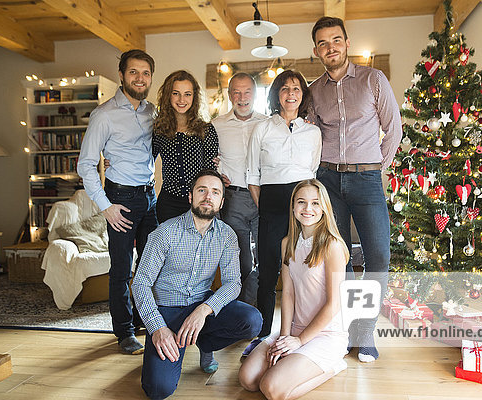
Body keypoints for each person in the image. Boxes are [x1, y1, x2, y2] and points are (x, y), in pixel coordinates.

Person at [308, 16, 403, 362]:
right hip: (328, 180)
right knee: (340, 257)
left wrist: (377, 166)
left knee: (378, 257)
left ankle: (366, 332)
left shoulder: (373, 79)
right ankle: (347, 329)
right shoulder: (313, 91)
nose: (330, 47)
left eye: (336, 40)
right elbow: (311, 135)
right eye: (323, 43)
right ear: (316, 50)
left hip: (366, 180)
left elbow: (393, 130)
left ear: (346, 44)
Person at [132, 169, 263, 399]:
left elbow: (233, 283)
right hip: (166, 314)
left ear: (221, 202)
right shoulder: (165, 233)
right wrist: (157, 329)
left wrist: (204, 310)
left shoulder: (227, 235)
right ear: (190, 197)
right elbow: (140, 283)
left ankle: (203, 342)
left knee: (252, 321)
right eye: (201, 190)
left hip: (200, 306)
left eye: (215, 192)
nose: (207, 196)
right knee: (158, 389)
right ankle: (171, 345)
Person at [77, 49, 158, 355]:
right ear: (122, 75)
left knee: (152, 265)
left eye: (146, 73)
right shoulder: (104, 114)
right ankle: (124, 332)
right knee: (121, 269)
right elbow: (85, 164)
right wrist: (105, 206)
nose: (140, 78)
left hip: (149, 197)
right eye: (134, 72)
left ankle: (145, 321)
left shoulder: (153, 112)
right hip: (120, 199)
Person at [238, 179, 349, 400]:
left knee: (271, 388)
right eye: (302, 202)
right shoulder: (288, 242)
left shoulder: (332, 246)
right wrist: (286, 337)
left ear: (325, 208)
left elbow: (333, 304)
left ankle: (334, 365)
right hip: (294, 329)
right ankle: (289, 361)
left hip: (325, 334)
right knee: (248, 379)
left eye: (315, 203)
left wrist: (299, 342)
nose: (308, 209)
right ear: (293, 207)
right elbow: (287, 293)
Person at [245, 70, 322, 354]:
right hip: (272, 205)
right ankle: (263, 333)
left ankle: (301, 333)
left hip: (305, 209)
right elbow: (253, 176)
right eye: (285, 88)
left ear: (303, 95)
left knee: (305, 270)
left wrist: (307, 208)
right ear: (276, 94)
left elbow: (313, 172)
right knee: (268, 272)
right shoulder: (263, 128)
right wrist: (267, 208)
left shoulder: (313, 132)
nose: (291, 93)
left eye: (297, 88)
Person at [212, 72, 268, 305]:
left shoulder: (268, 123)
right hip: (233, 198)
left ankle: (260, 313)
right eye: (236, 92)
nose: (242, 97)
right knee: (241, 260)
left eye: (247, 92)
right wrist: (216, 172)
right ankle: (244, 312)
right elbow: (208, 159)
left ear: (255, 95)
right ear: (229, 94)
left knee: (266, 258)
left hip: (265, 198)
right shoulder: (216, 125)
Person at [153, 70, 219, 223]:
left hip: (198, 202)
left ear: (194, 97)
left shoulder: (205, 129)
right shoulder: (160, 129)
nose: (182, 99)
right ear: (168, 95)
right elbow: (145, 158)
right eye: (176, 93)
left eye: (187, 94)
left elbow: (210, 171)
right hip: (168, 202)